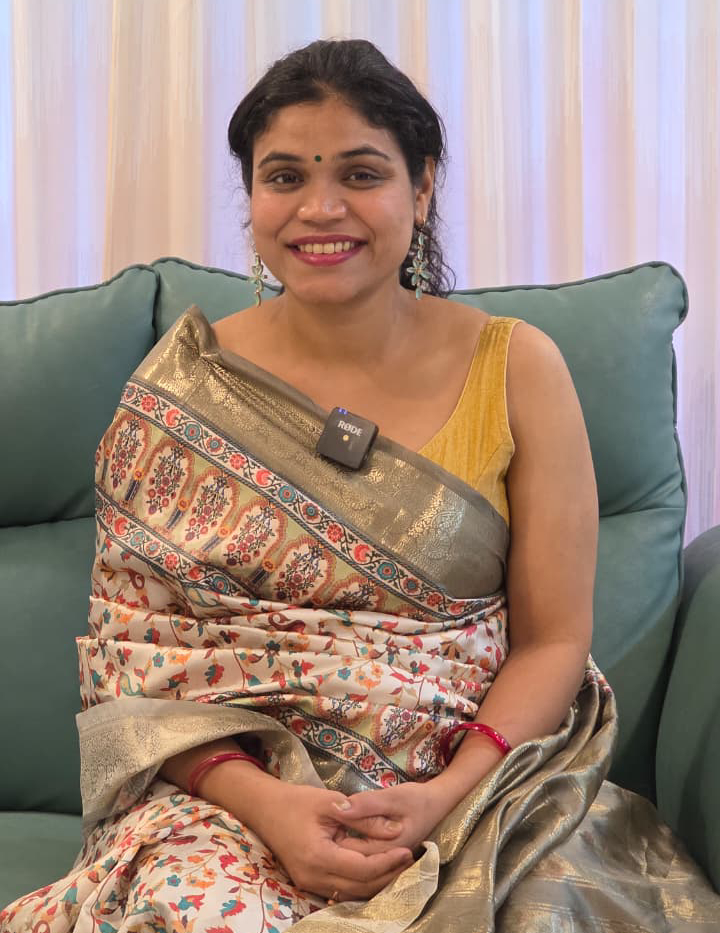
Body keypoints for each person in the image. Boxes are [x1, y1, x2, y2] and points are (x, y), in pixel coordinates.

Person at [3, 38, 719, 933]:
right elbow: (133, 668)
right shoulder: (184, 389)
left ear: (422, 188)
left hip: (477, 787)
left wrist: (447, 795)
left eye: (360, 173)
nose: (320, 208)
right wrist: (271, 806)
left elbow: (554, 640)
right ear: (252, 198)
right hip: (229, 803)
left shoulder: (517, 370)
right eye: (285, 177)